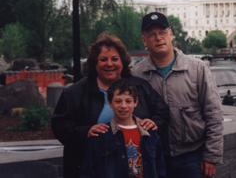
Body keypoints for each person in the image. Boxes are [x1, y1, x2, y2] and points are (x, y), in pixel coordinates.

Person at [51, 33, 169, 178]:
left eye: (115, 59)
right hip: (90, 168)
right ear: (95, 63)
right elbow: (59, 125)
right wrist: (85, 132)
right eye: (103, 59)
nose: (109, 64)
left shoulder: (140, 87)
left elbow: (163, 111)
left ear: (122, 62)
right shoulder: (75, 93)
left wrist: (154, 123)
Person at [132, 12, 224, 178]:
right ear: (144, 40)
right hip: (155, 156)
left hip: (192, 156)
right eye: (151, 34)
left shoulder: (197, 68)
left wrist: (212, 155)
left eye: (162, 32)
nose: (158, 38)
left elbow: (214, 113)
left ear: (171, 34)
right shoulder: (137, 74)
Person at [80, 78, 166, 178]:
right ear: (109, 102)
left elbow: (160, 170)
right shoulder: (100, 134)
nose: (123, 106)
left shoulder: (150, 133)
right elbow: (88, 173)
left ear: (136, 101)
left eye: (128, 101)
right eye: (118, 101)